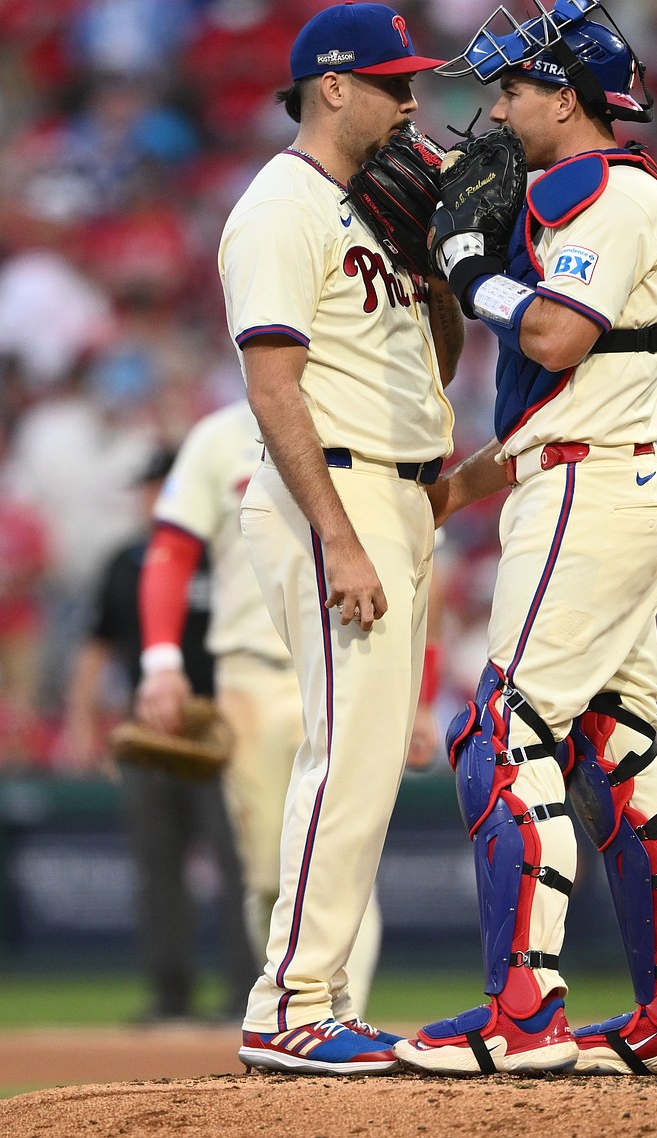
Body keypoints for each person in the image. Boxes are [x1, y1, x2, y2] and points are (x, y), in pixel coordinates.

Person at [394, 0, 657, 1077]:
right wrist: (454, 491)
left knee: (500, 732)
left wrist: (465, 268)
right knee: (613, 749)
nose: (495, 110)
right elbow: (562, 411)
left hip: (590, 498)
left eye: (513, 87)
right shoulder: (589, 196)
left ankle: (522, 1014)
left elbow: (554, 332)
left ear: (568, 96)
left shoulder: (604, 193)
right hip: (599, 479)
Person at [217, 0, 463, 1074]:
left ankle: (309, 999)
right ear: (332, 86)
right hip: (338, 496)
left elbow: (437, 368)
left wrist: (437, 264)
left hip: (400, 493)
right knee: (346, 757)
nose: (412, 102)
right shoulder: (281, 206)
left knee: (365, 763)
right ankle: (291, 1005)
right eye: (392, 82)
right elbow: (272, 388)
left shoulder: (372, 208)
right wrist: (340, 539)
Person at [134, 398, 439, 1015]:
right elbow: (171, 549)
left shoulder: (357, 417)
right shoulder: (218, 436)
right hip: (251, 675)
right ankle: (294, 1012)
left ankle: (341, 1015)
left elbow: (416, 564)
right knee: (269, 877)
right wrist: (161, 663)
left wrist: (421, 695)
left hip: (348, 650)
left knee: (342, 849)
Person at [62, 448, 256, 1023]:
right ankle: (170, 996)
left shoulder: (230, 550)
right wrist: (80, 725)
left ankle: (247, 996)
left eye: (158, 486)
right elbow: (95, 647)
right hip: (153, 733)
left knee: (243, 868)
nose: (150, 498)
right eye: (147, 488)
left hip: (226, 732)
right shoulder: (125, 561)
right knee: (158, 869)